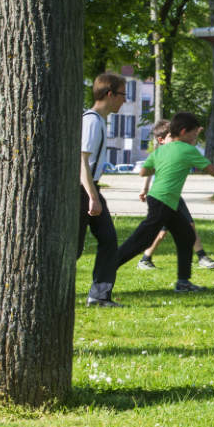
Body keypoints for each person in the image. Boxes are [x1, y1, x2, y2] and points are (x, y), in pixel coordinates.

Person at [115, 112, 214, 293]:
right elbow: (211, 170)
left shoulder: (161, 150)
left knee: (186, 236)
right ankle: (107, 267)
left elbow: (143, 172)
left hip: (163, 199)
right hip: (163, 201)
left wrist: (165, 163)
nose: (195, 138)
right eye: (194, 134)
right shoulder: (187, 150)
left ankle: (183, 283)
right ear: (184, 132)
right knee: (141, 240)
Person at [135, 119, 214, 271]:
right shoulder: (160, 153)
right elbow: (148, 172)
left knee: (187, 226)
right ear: (161, 140)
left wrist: (195, 132)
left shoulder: (178, 151)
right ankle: (145, 259)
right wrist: (145, 189)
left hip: (173, 196)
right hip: (163, 197)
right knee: (161, 232)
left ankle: (201, 257)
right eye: (170, 136)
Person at [79, 73, 128, 307]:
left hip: (91, 189)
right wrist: (92, 197)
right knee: (74, 248)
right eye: (122, 95)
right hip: (82, 190)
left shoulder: (98, 121)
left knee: (109, 240)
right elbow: (82, 162)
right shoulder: (90, 121)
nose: (124, 100)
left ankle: (99, 296)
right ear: (110, 94)